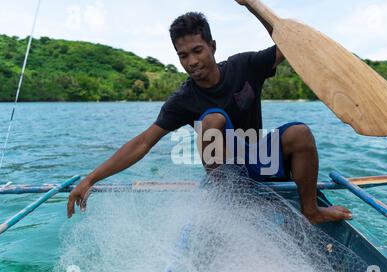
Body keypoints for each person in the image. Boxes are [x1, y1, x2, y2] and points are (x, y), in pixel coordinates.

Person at [67, 1, 352, 224]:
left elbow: (288, 47)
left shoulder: (245, 66)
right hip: (227, 179)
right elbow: (143, 143)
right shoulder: (183, 99)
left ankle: (311, 210)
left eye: (197, 50)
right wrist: (91, 178)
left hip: (261, 162)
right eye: (183, 56)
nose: (191, 61)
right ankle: (225, 205)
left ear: (213, 47)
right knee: (213, 120)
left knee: (300, 133)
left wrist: (254, 7)